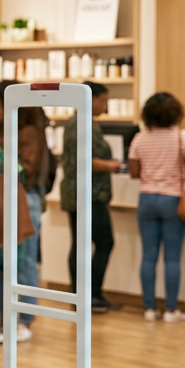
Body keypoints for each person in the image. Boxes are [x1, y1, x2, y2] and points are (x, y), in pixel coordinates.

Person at [128, 92, 185, 323]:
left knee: (148, 256)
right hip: (172, 200)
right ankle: (170, 310)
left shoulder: (140, 139)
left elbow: (134, 173)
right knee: (172, 258)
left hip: (146, 199)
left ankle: (149, 308)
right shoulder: (182, 137)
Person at [0, 105, 51, 341]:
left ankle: (24, 319)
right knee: (0, 263)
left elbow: (28, 165)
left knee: (24, 262)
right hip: (5, 197)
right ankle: (6, 318)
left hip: (23, 196)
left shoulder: (29, 133)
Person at [61, 81, 122, 313]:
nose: (104, 106)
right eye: (103, 100)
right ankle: (90, 294)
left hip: (82, 193)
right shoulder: (82, 124)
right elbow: (82, 160)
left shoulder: (80, 123)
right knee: (103, 242)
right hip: (88, 194)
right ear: (91, 98)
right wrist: (111, 165)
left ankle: (84, 294)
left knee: (82, 244)